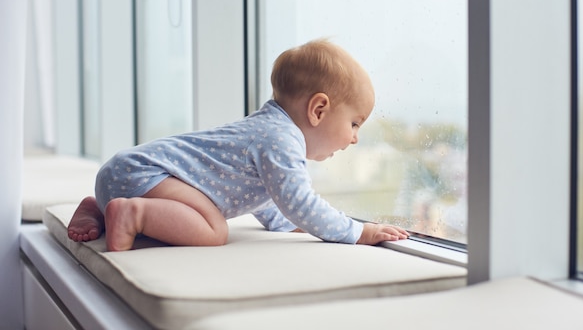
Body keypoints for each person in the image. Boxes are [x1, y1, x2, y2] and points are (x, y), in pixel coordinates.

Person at [67, 39, 409, 251]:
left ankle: (98, 206)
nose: (354, 138)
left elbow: (265, 198)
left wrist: (286, 223)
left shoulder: (266, 130)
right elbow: (300, 202)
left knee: (201, 217)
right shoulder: (280, 139)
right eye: (354, 123)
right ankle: (133, 213)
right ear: (318, 109)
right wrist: (358, 231)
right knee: (214, 230)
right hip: (144, 176)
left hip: (127, 172)